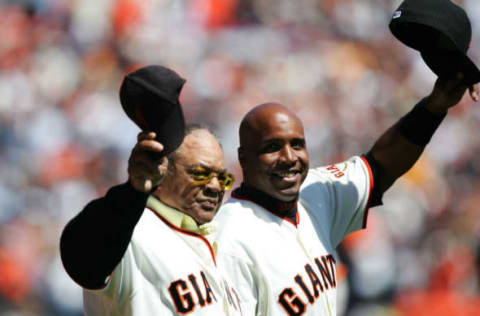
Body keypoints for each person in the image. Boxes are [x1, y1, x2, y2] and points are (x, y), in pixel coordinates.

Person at [214, 73, 479, 315]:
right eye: (272, 147)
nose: (289, 157)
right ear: (243, 158)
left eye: (297, 144)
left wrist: (434, 107)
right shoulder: (228, 235)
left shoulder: (315, 191)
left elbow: (381, 165)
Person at [60, 125, 243, 315]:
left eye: (223, 178)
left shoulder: (220, 248)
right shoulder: (132, 231)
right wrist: (132, 191)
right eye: (200, 174)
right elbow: (80, 255)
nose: (214, 186)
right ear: (162, 172)